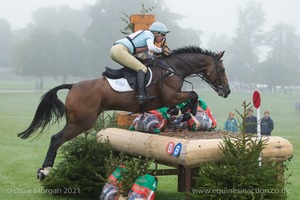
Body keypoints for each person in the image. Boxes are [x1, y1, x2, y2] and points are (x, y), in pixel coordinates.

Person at [110, 22, 170, 103]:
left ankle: (130, 90)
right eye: (163, 36)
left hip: (117, 50)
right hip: (120, 50)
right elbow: (152, 48)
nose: (162, 39)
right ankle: (141, 95)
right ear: (157, 33)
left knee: (138, 67)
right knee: (142, 68)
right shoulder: (149, 35)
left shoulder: (147, 38)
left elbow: (149, 56)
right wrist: (161, 50)